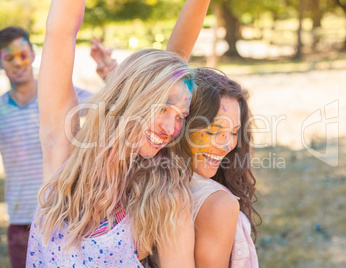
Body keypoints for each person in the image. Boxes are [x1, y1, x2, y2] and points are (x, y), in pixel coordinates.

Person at [26, 0, 210, 267]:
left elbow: (170, 68)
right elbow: (60, 32)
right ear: (130, 99)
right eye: (162, 109)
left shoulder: (162, 195)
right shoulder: (63, 154)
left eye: (181, 116)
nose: (171, 129)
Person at [0, 26, 93, 268]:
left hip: (67, 215)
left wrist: (108, 70)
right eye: (9, 57)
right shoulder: (1, 111)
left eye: (22, 54)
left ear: (32, 54)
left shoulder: (62, 96)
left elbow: (112, 107)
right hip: (22, 222)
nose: (18, 63)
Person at [177, 68, 261, 267]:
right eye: (215, 130)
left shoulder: (155, 180)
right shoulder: (220, 204)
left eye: (234, 132)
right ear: (184, 123)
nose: (227, 145)